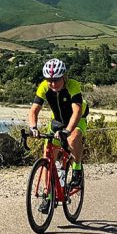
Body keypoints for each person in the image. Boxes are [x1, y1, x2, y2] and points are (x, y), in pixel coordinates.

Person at [27, 58, 89, 192]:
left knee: (72, 138)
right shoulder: (43, 86)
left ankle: (77, 169)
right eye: (49, 80)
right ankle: (47, 194)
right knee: (48, 156)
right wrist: (33, 127)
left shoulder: (73, 85)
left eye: (56, 80)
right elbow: (34, 110)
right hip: (57, 121)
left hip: (77, 119)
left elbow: (77, 111)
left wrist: (67, 131)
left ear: (64, 77)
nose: (52, 84)